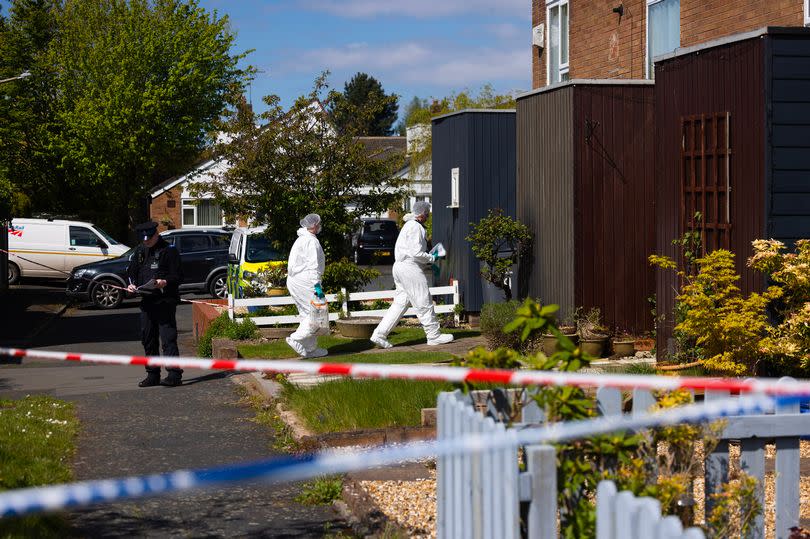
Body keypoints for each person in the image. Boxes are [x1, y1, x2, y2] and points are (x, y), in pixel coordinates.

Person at [371, 201, 454, 348]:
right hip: (410, 268)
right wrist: (432, 257)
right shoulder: (416, 227)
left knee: (400, 303)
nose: (428, 215)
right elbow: (416, 253)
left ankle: (379, 334)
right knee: (424, 300)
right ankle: (433, 335)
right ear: (422, 214)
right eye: (427, 213)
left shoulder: (408, 225)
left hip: (399, 267)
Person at [126, 221, 184, 387]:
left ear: (156, 235)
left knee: (168, 338)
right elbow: (131, 272)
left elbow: (178, 276)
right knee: (148, 338)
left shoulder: (169, 251)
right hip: (147, 301)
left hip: (165, 300)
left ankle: (174, 374)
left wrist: (164, 281)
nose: (146, 242)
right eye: (144, 239)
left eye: (149, 239)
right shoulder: (140, 251)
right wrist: (131, 285)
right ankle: (153, 374)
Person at [285, 213, 328, 358]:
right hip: (306, 281)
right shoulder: (311, 241)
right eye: (319, 223)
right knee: (317, 312)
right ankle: (295, 338)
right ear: (315, 225)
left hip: (296, 281)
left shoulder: (301, 239)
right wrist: (317, 286)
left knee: (306, 313)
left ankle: (310, 349)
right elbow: (313, 265)